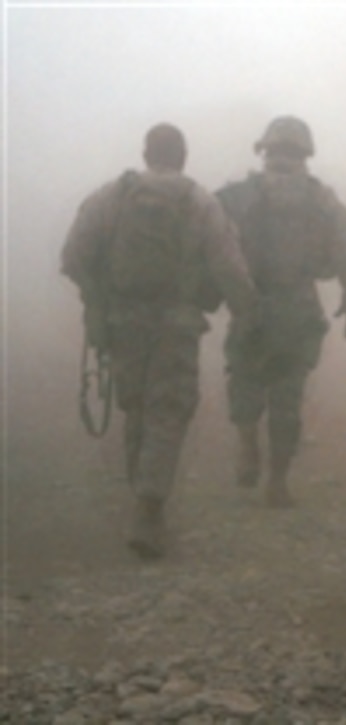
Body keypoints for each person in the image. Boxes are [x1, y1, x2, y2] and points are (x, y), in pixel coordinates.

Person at [61, 123, 260, 559]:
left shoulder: (111, 196)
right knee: (168, 412)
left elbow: (73, 257)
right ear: (183, 156)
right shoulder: (199, 201)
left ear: (146, 153)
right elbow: (228, 265)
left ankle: (144, 503)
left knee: (138, 410)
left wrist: (98, 302)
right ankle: (149, 510)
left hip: (123, 322)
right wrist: (247, 312)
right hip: (176, 324)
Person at [215, 116, 346, 508]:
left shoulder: (238, 194)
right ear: (306, 152)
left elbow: (207, 237)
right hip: (297, 306)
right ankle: (277, 482)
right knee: (288, 397)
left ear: (265, 149)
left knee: (245, 380)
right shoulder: (320, 199)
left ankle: (248, 445)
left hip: (250, 305)